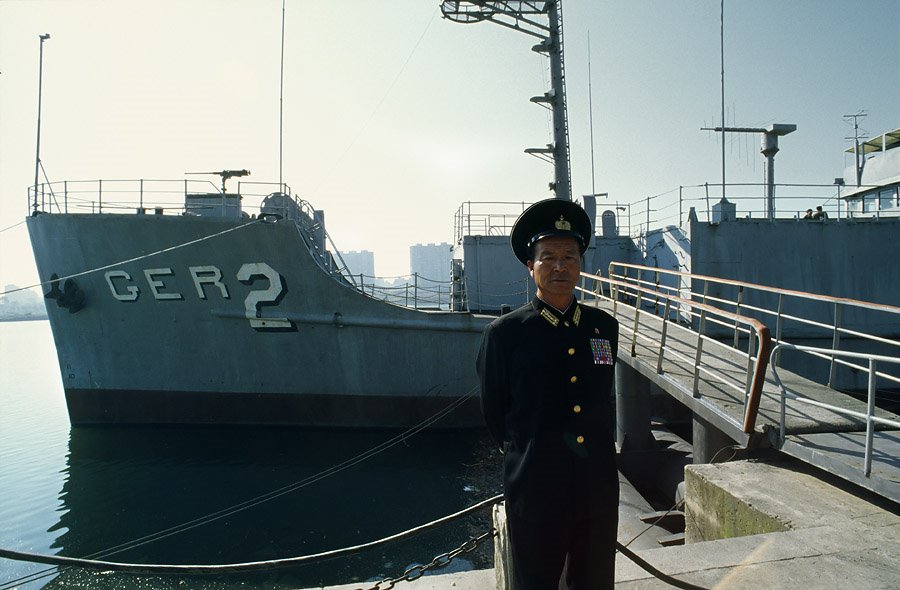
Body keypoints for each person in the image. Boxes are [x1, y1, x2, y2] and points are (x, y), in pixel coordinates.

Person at [476, 199, 619, 589]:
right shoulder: (505, 334)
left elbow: (603, 398)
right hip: (536, 485)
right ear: (531, 265)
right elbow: (495, 414)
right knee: (535, 580)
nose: (560, 266)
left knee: (595, 579)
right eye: (549, 257)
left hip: (597, 483)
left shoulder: (602, 327)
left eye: (569, 256)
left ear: (580, 263)